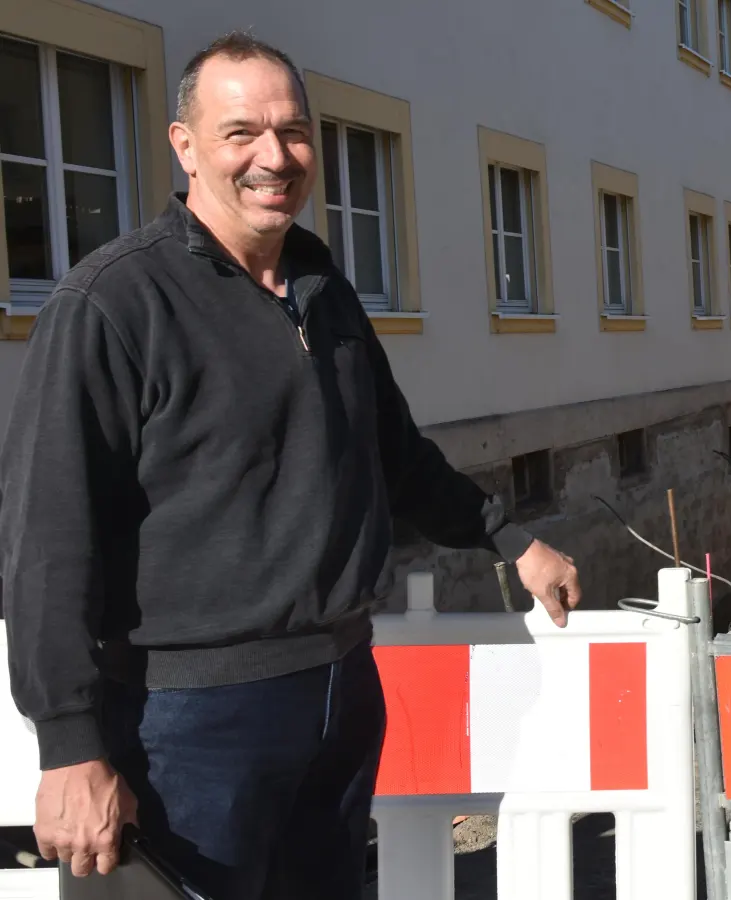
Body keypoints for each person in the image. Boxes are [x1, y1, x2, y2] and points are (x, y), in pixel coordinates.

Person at [0, 31, 582, 898]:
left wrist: (509, 538)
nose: (274, 156)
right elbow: (48, 535)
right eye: (242, 132)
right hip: (188, 721)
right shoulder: (113, 304)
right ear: (184, 145)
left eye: (294, 131)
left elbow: (393, 453)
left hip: (342, 690)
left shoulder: (321, 286)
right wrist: (70, 742)